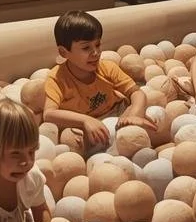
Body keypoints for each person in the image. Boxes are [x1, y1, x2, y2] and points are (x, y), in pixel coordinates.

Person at [44, 10, 155, 151]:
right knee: (73, 141)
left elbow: (136, 93)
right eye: (86, 48)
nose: (96, 52)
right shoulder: (57, 78)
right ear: (64, 52)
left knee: (154, 115)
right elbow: (49, 114)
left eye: (97, 45)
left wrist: (134, 115)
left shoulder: (107, 67)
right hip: (85, 125)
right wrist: (85, 120)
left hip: (118, 114)